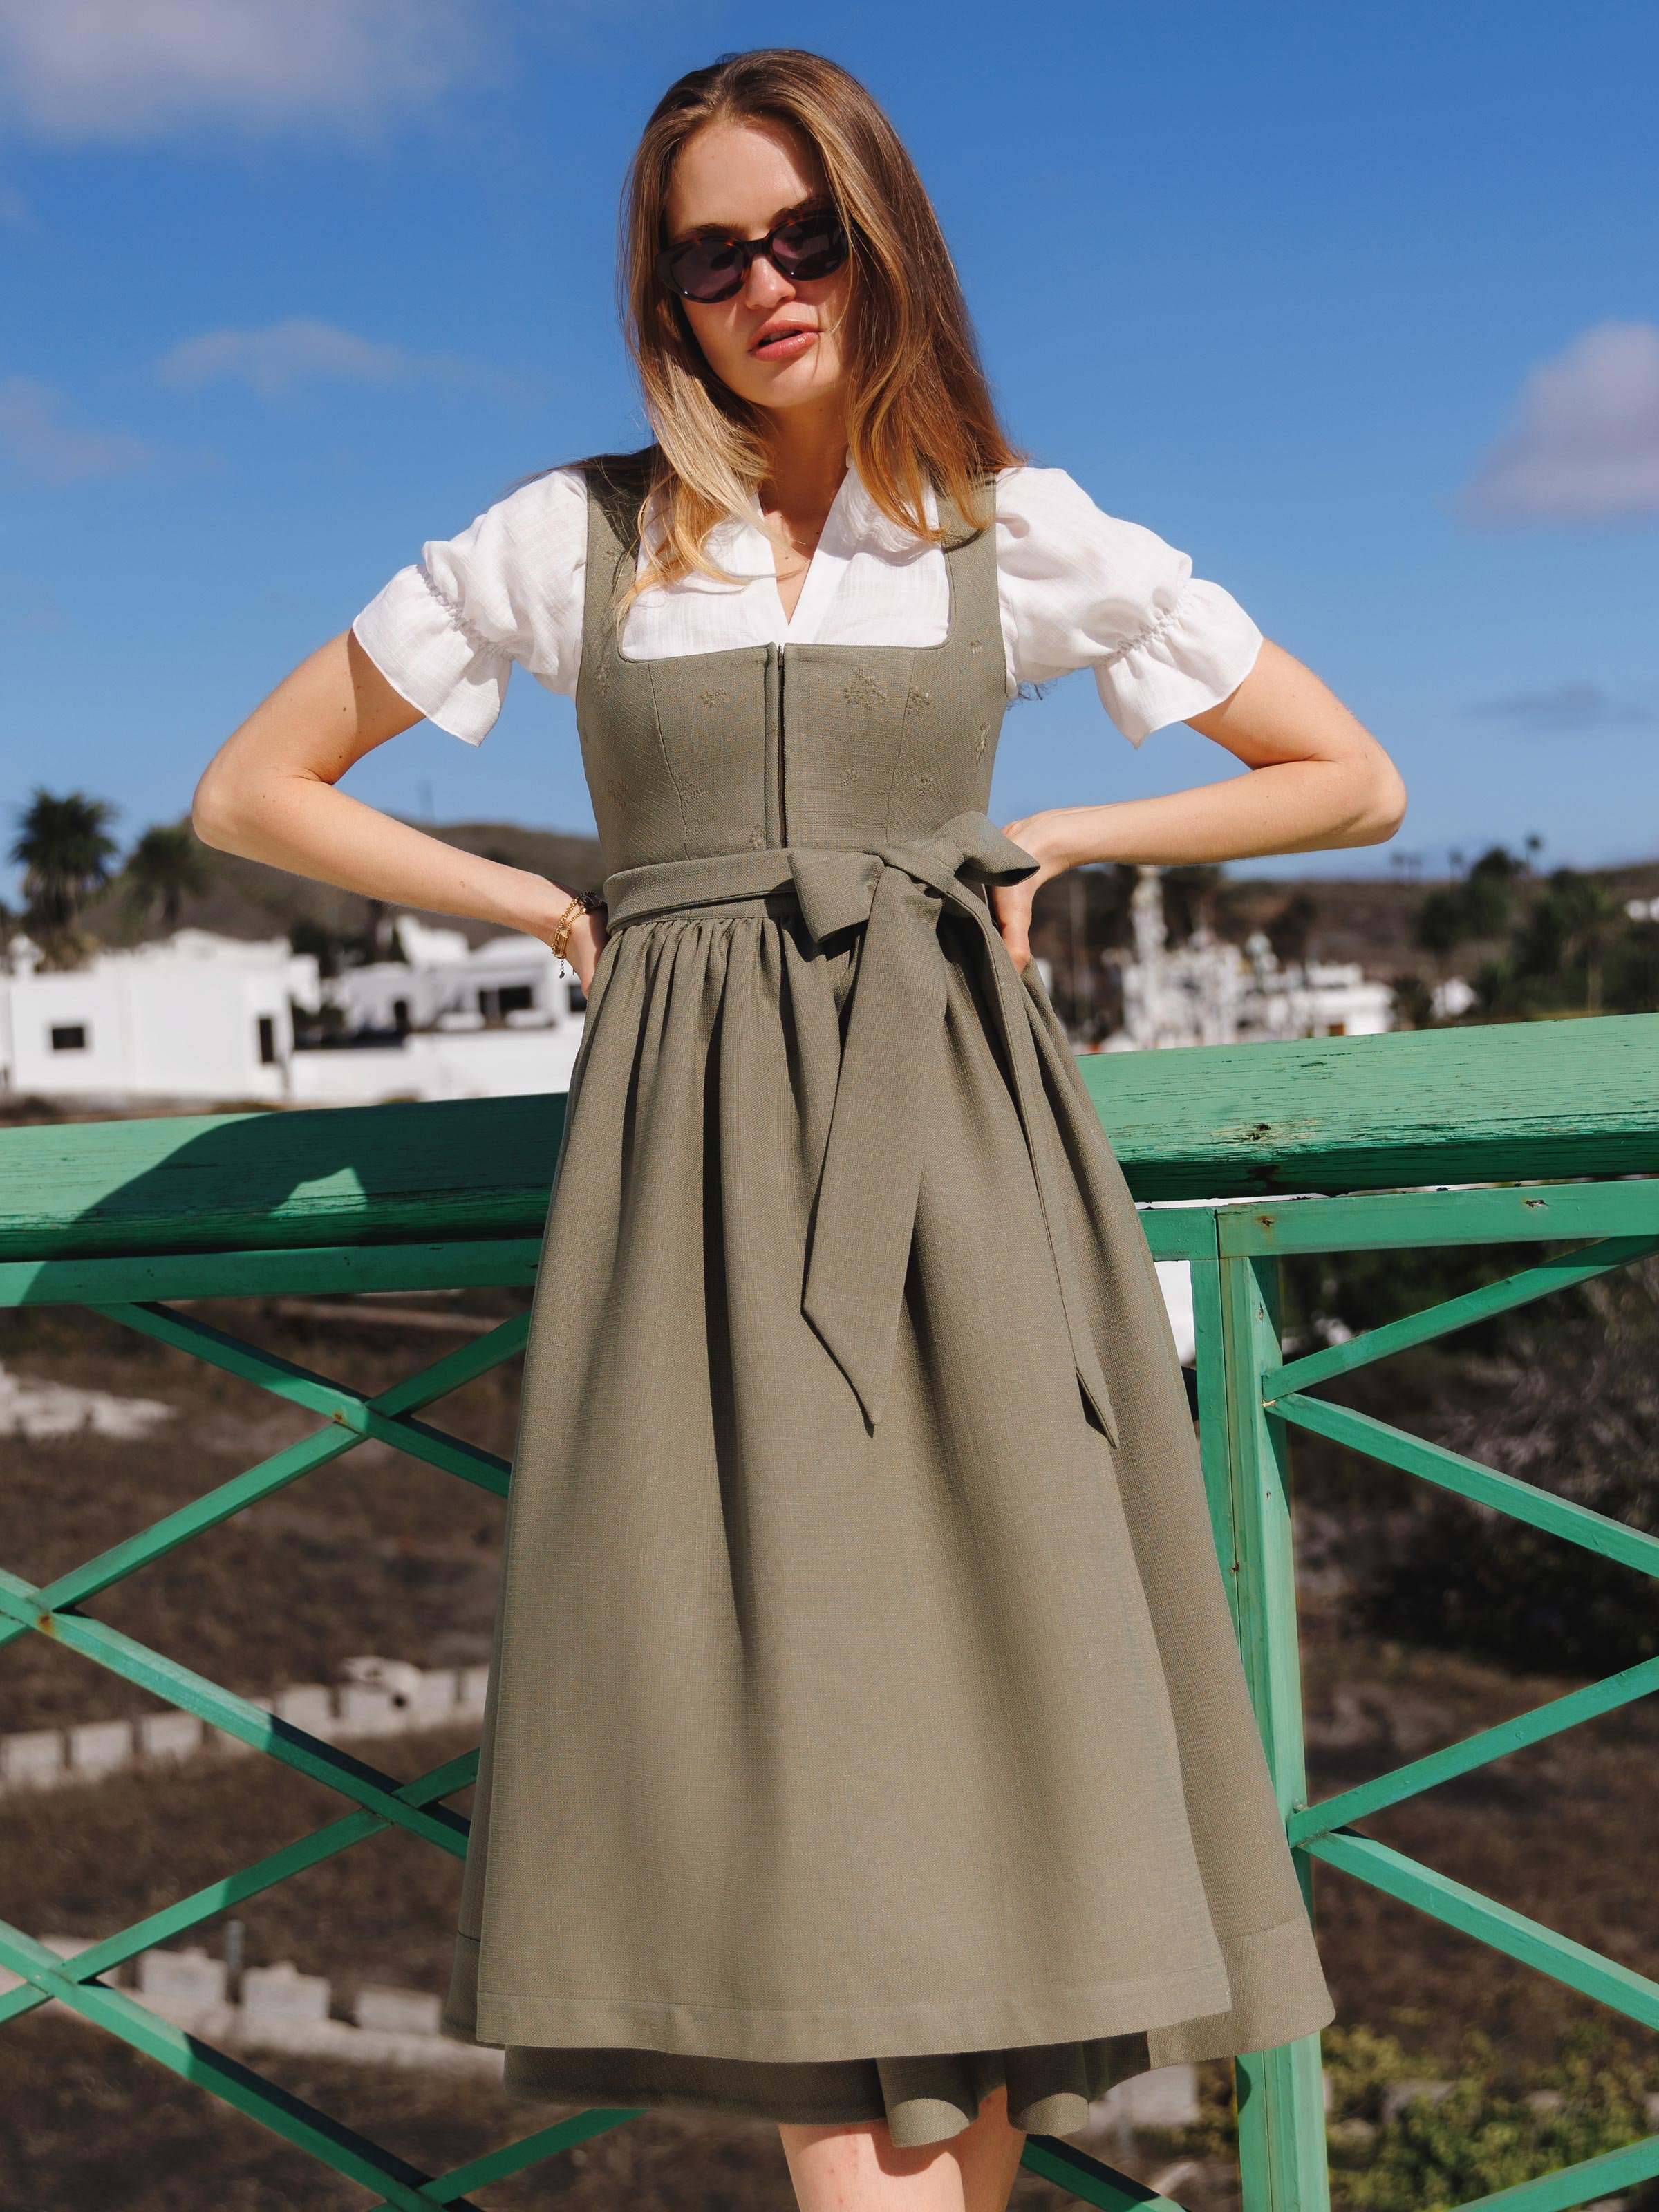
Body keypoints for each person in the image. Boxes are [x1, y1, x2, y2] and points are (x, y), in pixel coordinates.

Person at [192, 48, 1404, 2212]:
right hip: (691, 1209)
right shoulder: (567, 537)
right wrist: (560, 902)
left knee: (994, 1751)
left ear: (879, 235)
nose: (763, 284)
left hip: (966, 1172)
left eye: (803, 234)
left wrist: (1064, 839)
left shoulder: (1008, 531)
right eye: (709, 254)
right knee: (772, 1764)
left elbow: (1347, 777)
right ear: (661, 291)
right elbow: (254, 789)